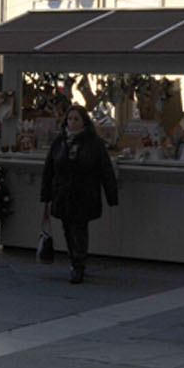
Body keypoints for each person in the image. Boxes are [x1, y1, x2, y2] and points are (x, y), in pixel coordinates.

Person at [40, 103, 118, 284]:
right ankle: (74, 261)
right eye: (70, 119)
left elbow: (105, 169)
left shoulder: (94, 143)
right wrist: (46, 194)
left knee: (79, 229)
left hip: (84, 193)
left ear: (84, 122)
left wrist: (111, 195)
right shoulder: (59, 142)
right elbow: (49, 169)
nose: (72, 122)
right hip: (64, 194)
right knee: (68, 228)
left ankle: (78, 264)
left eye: (76, 119)